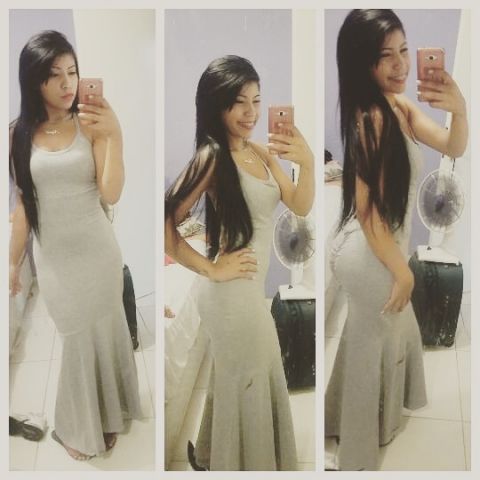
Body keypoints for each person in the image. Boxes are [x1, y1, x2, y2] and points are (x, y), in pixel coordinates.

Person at [325, 9, 468, 471]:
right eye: (385, 56)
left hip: (379, 248)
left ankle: (340, 421)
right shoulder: (371, 118)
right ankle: (356, 457)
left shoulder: (398, 106)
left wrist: (459, 108)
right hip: (370, 252)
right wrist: (403, 271)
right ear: (362, 63)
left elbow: (453, 146)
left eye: (404, 50)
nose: (400, 64)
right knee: (370, 349)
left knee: (376, 338)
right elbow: (368, 211)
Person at [165, 55, 314, 471]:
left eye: (256, 101)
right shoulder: (212, 157)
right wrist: (211, 268)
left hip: (248, 291)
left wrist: (305, 162)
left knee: (242, 376)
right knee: (251, 376)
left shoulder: (260, 152)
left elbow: (300, 204)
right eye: (239, 102)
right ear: (218, 105)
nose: (251, 113)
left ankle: (212, 455)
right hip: (230, 298)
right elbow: (166, 222)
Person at [9, 30, 142, 461]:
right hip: (55, 262)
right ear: (35, 81)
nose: (68, 83)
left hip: (98, 254)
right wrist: (11, 263)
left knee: (104, 332)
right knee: (76, 340)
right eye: (55, 75)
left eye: (73, 72)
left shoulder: (91, 123)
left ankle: (108, 415)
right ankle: (77, 424)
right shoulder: (17, 135)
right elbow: (22, 206)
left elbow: (111, 192)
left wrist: (115, 135)